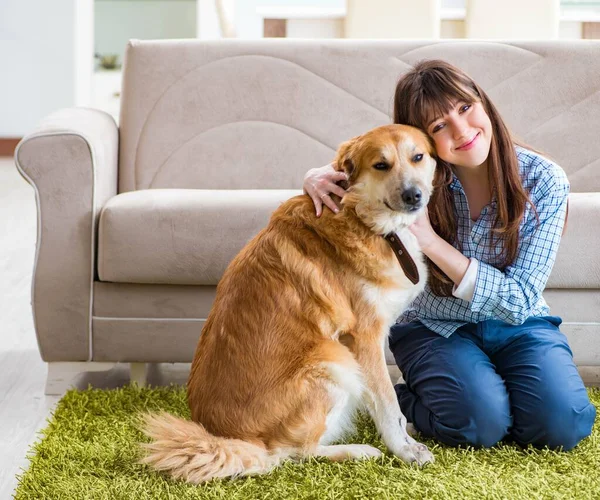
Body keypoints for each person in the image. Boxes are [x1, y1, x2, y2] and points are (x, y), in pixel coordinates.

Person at [303, 60, 595, 451]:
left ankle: (487, 392)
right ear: (423, 139)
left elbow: (521, 298)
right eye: (439, 127)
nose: (462, 130)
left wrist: (430, 242)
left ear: (484, 103)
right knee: (479, 425)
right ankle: (408, 399)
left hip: (520, 324)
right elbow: (373, 159)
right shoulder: (416, 176)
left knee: (563, 425)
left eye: (465, 107)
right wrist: (315, 174)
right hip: (433, 326)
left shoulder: (544, 179)